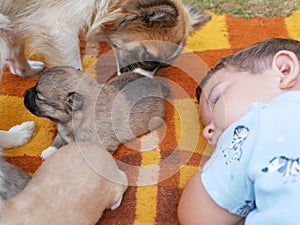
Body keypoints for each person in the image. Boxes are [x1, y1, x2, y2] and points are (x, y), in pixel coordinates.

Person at [178, 38, 300, 225]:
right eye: (208, 125)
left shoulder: (258, 123)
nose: (207, 132)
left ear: (284, 70)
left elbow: (198, 216)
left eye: (216, 99)